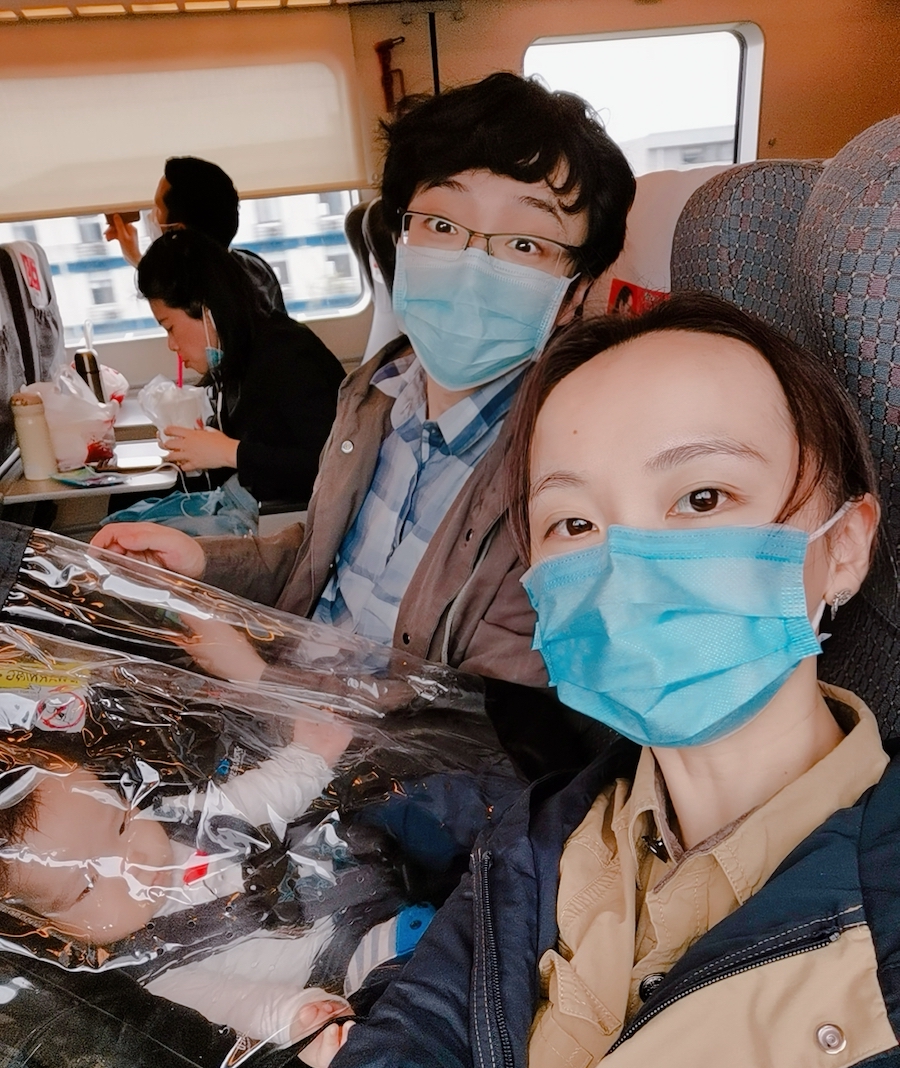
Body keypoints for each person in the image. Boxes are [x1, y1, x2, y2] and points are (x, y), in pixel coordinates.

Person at [221, 293, 900, 1068]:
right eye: (573, 524)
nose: (622, 565)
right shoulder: (533, 840)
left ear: (845, 545)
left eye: (701, 497)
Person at [91, 73, 636, 718]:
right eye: (441, 223)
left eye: (523, 242)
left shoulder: (564, 468)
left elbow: (486, 723)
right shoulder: (378, 390)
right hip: (285, 693)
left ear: (573, 293)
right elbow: (320, 556)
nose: (469, 261)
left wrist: (263, 685)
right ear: (402, 241)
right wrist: (200, 560)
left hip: (362, 767)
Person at [0, 708, 436, 1068]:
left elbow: (254, 797)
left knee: (422, 803)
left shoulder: (178, 821)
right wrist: (297, 1019)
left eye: (121, 823)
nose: (132, 862)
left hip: (355, 873)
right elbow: (233, 1004)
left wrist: (310, 755)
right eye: (88, 884)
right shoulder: (155, 966)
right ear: (50, 929)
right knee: (407, 973)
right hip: (335, 962)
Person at [134, 228, 345, 505]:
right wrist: (197, 446)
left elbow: (331, 463)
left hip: (296, 518)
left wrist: (228, 452)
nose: (171, 345)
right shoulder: (234, 360)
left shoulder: (287, 354)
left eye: (170, 327)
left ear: (205, 308)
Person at [105, 155, 287, 314]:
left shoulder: (209, 297)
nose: (151, 216)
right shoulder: (252, 266)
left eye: (158, 208)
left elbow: (179, 293)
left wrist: (139, 260)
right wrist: (137, 258)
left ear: (178, 230)